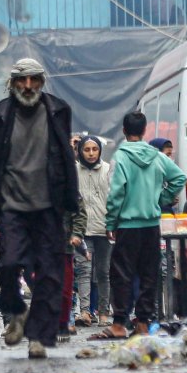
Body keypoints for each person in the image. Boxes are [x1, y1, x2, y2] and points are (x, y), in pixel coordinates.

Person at [0, 58, 81, 360]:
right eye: (21, 81)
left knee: (49, 274)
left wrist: (69, 198)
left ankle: (38, 336)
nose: (27, 87)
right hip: (12, 206)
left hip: (48, 206)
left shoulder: (59, 110)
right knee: (9, 264)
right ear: (11, 84)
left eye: (33, 80)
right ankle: (16, 311)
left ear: (42, 81)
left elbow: (64, 156)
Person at [96, 110, 186, 338]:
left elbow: (116, 193)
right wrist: (161, 199)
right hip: (151, 225)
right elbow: (178, 178)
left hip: (127, 226)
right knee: (149, 274)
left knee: (122, 275)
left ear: (124, 131)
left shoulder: (121, 157)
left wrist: (111, 222)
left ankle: (119, 324)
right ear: (145, 130)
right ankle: (143, 324)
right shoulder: (157, 157)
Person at [73, 135, 113, 328]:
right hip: (82, 230)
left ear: (99, 151)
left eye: (94, 149)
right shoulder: (73, 170)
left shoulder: (108, 170)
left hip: (104, 230)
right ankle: (85, 312)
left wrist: (113, 223)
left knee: (104, 272)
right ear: (80, 151)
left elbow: (114, 197)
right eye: (86, 149)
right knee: (84, 271)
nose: (90, 153)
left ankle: (104, 312)